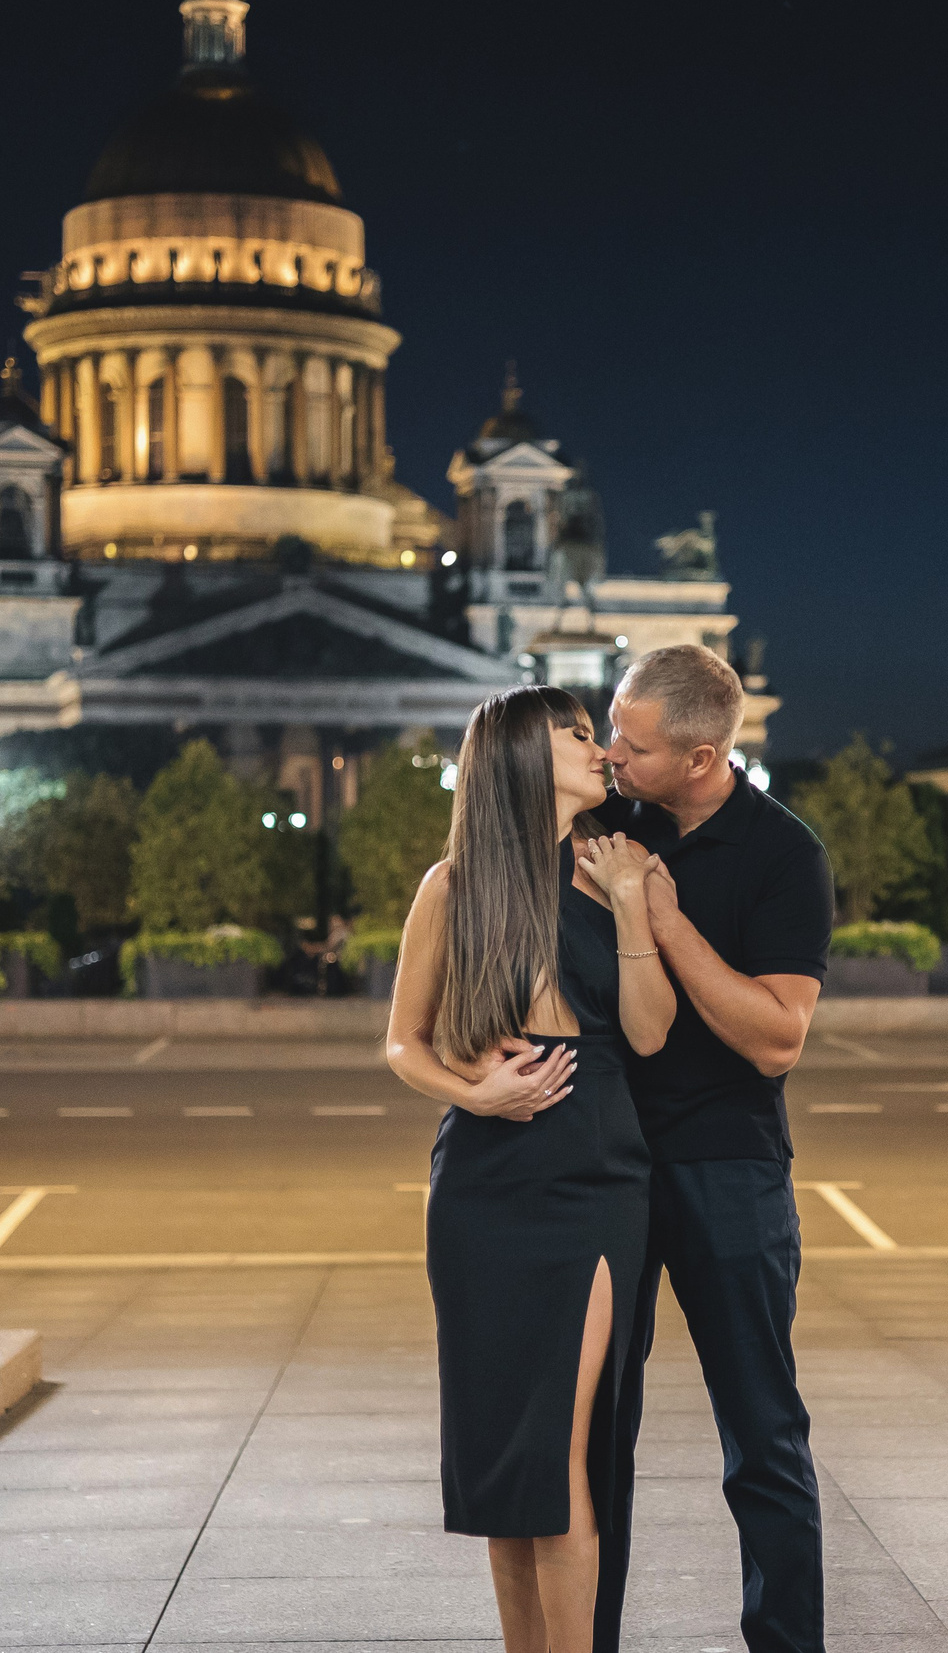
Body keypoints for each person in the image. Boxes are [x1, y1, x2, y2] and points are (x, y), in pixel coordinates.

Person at [385, 686, 674, 1653]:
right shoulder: (453, 885)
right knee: (508, 1471)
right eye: (579, 734)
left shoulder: (620, 869)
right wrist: (474, 1095)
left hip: (596, 1181)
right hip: (483, 1188)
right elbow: (404, 1043)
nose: (602, 749)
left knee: (558, 1453)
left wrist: (634, 905)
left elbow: (649, 1030)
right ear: (516, 754)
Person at [594, 642, 836, 1653]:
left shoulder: (784, 853)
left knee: (762, 1440)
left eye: (634, 746)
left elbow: (776, 1038)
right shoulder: (606, 823)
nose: (611, 756)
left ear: (701, 759)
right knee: (593, 1440)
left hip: (727, 1167)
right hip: (602, 1167)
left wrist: (664, 918)